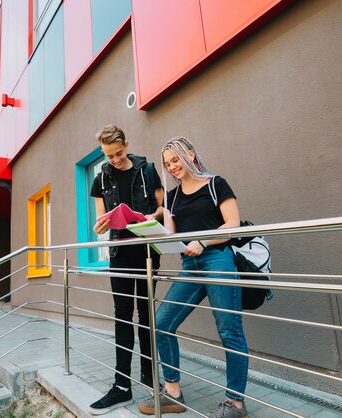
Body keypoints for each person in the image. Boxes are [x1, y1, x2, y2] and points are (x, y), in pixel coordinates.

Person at [138, 136, 249, 418]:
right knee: (161, 323)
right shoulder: (172, 197)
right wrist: (151, 230)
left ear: (190, 154)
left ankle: (235, 404)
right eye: (167, 164)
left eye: (175, 159)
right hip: (190, 265)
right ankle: (173, 393)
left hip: (218, 259)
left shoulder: (216, 184)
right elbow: (172, 237)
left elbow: (231, 226)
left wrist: (202, 241)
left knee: (229, 330)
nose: (172, 167)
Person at [88, 124, 165, 415]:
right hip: (119, 254)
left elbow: (162, 206)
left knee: (146, 315)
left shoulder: (147, 170)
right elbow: (99, 220)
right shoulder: (101, 179)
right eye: (109, 156)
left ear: (126, 144)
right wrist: (101, 225)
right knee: (122, 316)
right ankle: (122, 385)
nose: (116, 159)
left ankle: (151, 379)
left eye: (119, 153)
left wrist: (149, 216)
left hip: (147, 252)